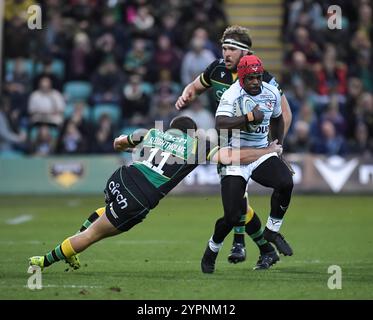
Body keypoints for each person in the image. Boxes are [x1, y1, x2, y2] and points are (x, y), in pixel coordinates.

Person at [29, 116, 283, 271]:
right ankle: (45, 260)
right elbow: (228, 157)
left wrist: (127, 144)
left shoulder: (152, 133)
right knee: (94, 235)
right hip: (140, 197)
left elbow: (119, 142)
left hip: (120, 177)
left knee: (103, 215)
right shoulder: (198, 144)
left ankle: (71, 249)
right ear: (192, 133)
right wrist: (266, 151)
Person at [175, 25, 293, 264]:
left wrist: (276, 146)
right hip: (227, 145)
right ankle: (253, 247)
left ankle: (244, 245)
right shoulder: (216, 69)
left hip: (256, 147)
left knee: (244, 201)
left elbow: (284, 114)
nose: (225, 53)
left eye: (230, 49)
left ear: (245, 53)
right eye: (223, 48)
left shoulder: (261, 77)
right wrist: (186, 95)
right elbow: (195, 87)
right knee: (237, 204)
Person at [200, 55, 294, 273]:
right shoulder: (232, 94)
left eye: (258, 77)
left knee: (285, 182)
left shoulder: (271, 92)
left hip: (261, 152)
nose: (255, 82)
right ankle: (213, 247)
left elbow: (278, 118)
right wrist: (249, 117)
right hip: (236, 156)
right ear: (241, 78)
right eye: (250, 78)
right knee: (233, 217)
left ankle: (272, 230)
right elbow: (220, 123)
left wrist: (278, 145)